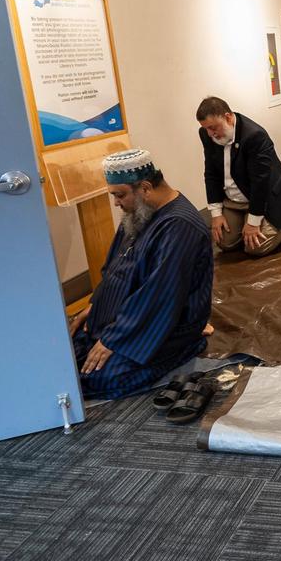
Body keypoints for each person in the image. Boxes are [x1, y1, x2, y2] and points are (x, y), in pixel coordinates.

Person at [70, 148, 212, 399]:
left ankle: (188, 347)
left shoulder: (180, 226)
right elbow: (114, 267)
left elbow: (160, 295)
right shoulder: (139, 213)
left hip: (161, 322)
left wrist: (114, 337)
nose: (116, 203)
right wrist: (95, 305)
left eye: (120, 195)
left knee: (97, 377)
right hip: (129, 315)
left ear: (145, 187)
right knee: (69, 353)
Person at [197, 96, 281, 256]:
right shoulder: (206, 134)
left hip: (265, 198)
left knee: (255, 248)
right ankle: (243, 222)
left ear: (228, 117)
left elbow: (260, 183)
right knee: (224, 242)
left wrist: (253, 222)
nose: (210, 134)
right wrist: (216, 214)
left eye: (213, 128)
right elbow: (211, 173)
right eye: (206, 128)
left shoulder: (255, 136)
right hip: (235, 200)